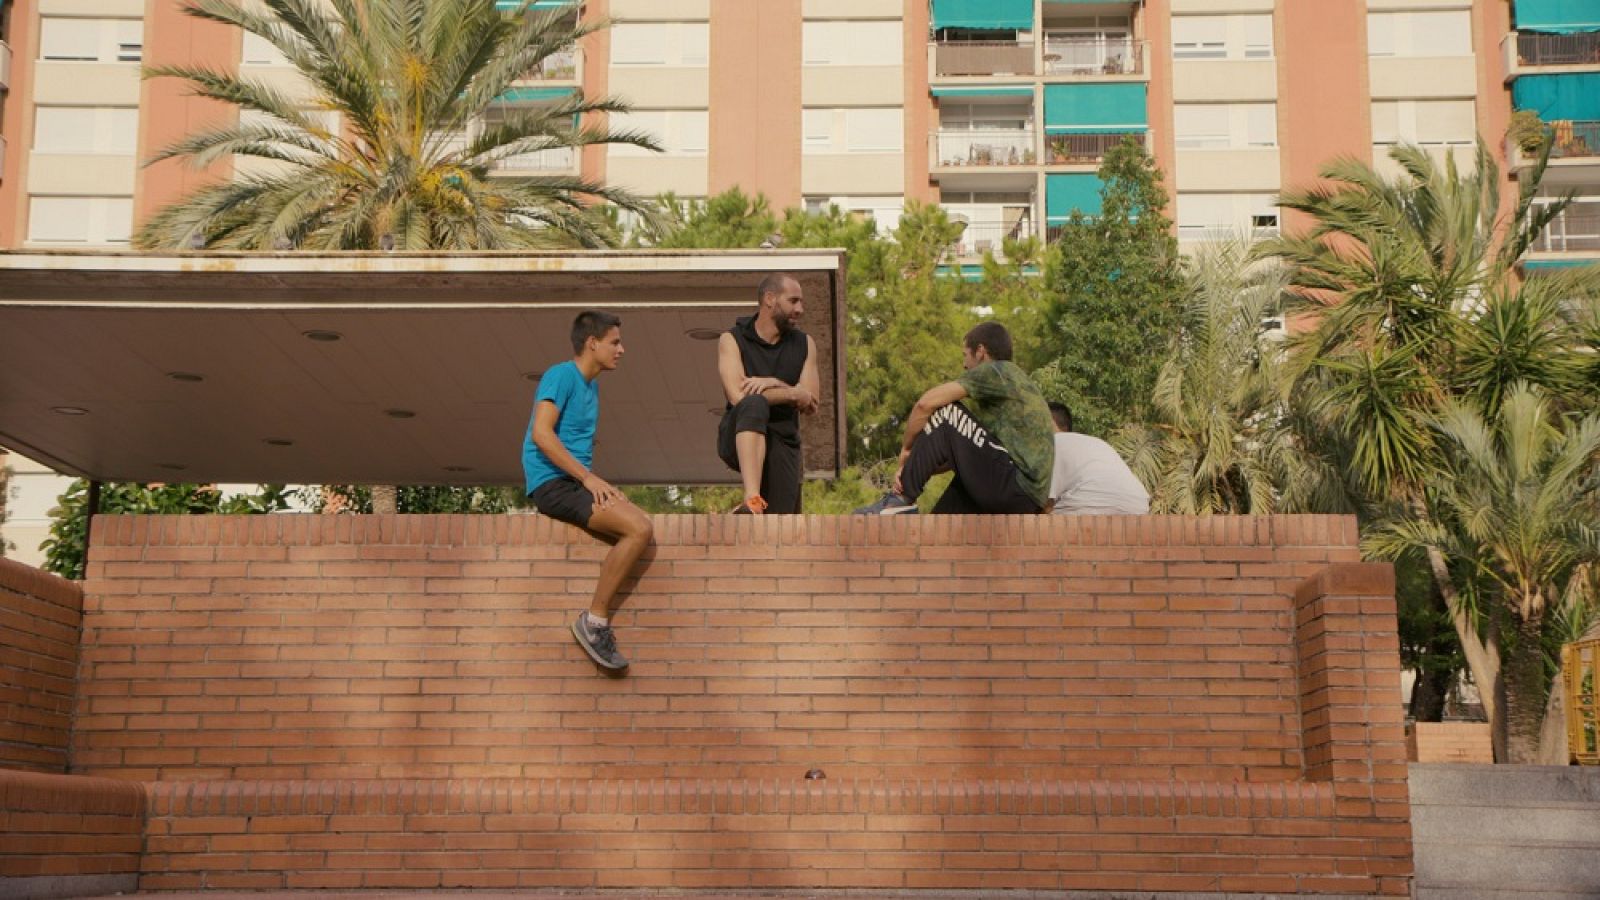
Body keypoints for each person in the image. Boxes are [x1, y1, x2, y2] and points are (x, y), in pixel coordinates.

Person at [523, 310, 654, 671]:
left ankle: (595, 620)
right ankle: (594, 622)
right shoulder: (560, 375)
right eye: (615, 342)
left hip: (571, 481)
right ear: (592, 343)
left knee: (635, 520)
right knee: (639, 528)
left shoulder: (591, 386)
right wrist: (589, 480)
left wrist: (600, 486)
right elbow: (542, 434)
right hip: (552, 484)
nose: (621, 350)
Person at [855, 322, 1055, 515]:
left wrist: (906, 453)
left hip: (1015, 485)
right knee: (938, 531)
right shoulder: (1012, 386)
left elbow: (925, 404)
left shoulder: (996, 370)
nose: (964, 365)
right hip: (1022, 496)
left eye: (965, 355)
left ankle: (901, 500)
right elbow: (960, 452)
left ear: (980, 351)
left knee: (948, 412)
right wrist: (917, 467)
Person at [716, 273, 821, 514]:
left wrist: (773, 384)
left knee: (780, 524)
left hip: (783, 443)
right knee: (753, 404)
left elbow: (811, 402)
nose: (800, 309)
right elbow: (737, 397)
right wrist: (793, 393)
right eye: (793, 301)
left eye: (801, 302)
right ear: (770, 299)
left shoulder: (805, 344)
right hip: (738, 434)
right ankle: (751, 496)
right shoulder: (732, 339)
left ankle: (745, 514)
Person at [1046, 402, 1150, 515]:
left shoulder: (1051, 444)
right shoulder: (1096, 442)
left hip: (1089, 505)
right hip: (1138, 506)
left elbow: (1045, 501)